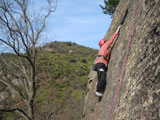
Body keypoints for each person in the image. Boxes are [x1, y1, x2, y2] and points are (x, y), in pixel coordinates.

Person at [95, 26, 121, 97]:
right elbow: (111, 40)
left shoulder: (100, 50)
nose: (106, 42)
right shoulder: (105, 46)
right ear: (103, 43)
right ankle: (98, 91)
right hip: (100, 64)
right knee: (102, 78)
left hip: (99, 64)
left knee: (101, 76)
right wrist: (117, 31)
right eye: (105, 42)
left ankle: (98, 85)